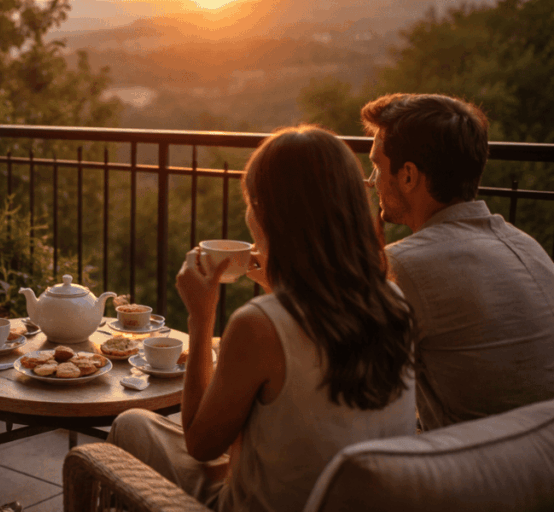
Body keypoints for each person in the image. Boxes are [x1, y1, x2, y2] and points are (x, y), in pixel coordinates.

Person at [107, 126, 418, 510]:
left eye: (251, 202)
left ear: (267, 212)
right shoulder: (393, 301)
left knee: (131, 425)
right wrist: (279, 287)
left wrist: (201, 318)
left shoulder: (259, 324)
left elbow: (201, 445)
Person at [362, 93, 554, 430]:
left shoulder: (403, 265)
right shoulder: (527, 247)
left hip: (472, 471)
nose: (371, 180)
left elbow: (352, 383)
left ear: (408, 175)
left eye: (377, 165)